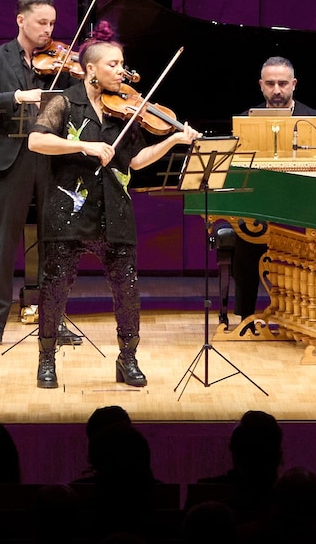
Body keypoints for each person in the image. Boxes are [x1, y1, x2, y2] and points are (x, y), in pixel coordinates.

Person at [27, 21, 199, 388]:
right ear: (90, 69)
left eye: (122, 64)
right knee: (56, 286)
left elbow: (134, 162)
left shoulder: (127, 109)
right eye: (113, 65)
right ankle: (46, 361)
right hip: (69, 207)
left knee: (127, 288)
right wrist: (83, 146)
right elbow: (37, 142)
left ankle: (128, 359)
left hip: (115, 207)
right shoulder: (64, 102)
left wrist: (173, 141)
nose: (122, 71)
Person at [0, 0, 80, 346]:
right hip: (12, 156)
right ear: (21, 20)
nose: (48, 29)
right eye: (41, 22)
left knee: (55, 242)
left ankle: (53, 318)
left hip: (52, 158)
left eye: (52, 23)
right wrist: (19, 96)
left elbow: (78, 102)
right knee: (6, 241)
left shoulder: (61, 63)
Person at [229, 55, 316, 324]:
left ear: (294, 84)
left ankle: (312, 316)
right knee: (245, 236)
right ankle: (245, 317)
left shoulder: (314, 120)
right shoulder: (245, 121)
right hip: (260, 207)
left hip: (302, 207)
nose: (277, 90)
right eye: (271, 84)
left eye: (283, 84)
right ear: (261, 85)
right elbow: (237, 170)